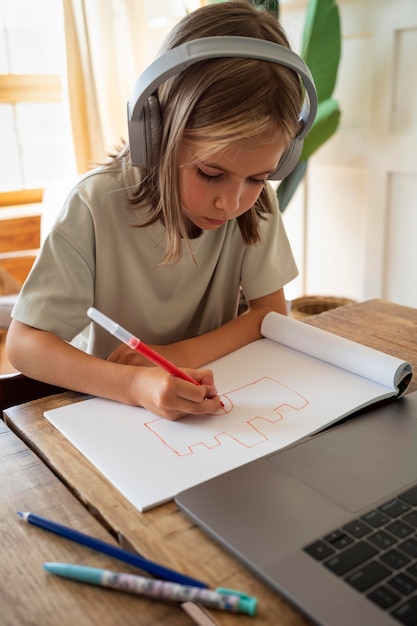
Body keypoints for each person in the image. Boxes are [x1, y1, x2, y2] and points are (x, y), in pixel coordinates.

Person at [7, 0, 312, 421]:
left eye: (258, 178)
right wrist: (134, 384)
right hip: (110, 412)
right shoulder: (94, 204)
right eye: (210, 173)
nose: (233, 202)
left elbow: (271, 312)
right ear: (155, 133)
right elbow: (25, 346)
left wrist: (174, 356)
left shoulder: (255, 204)